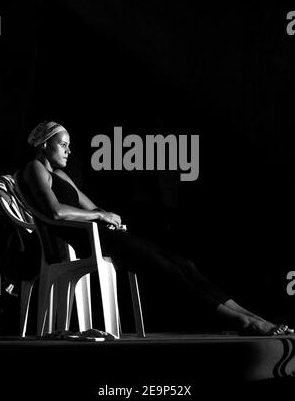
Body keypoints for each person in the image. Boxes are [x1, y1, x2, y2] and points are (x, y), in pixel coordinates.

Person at [20, 120, 294, 337]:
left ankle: (252, 317)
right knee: (169, 272)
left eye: (69, 145)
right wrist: (101, 216)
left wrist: (108, 216)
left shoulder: (60, 175)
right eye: (63, 145)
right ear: (44, 145)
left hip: (105, 237)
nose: (69, 150)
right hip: (88, 241)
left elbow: (94, 210)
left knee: (183, 263)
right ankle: (241, 322)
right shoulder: (35, 169)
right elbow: (55, 211)